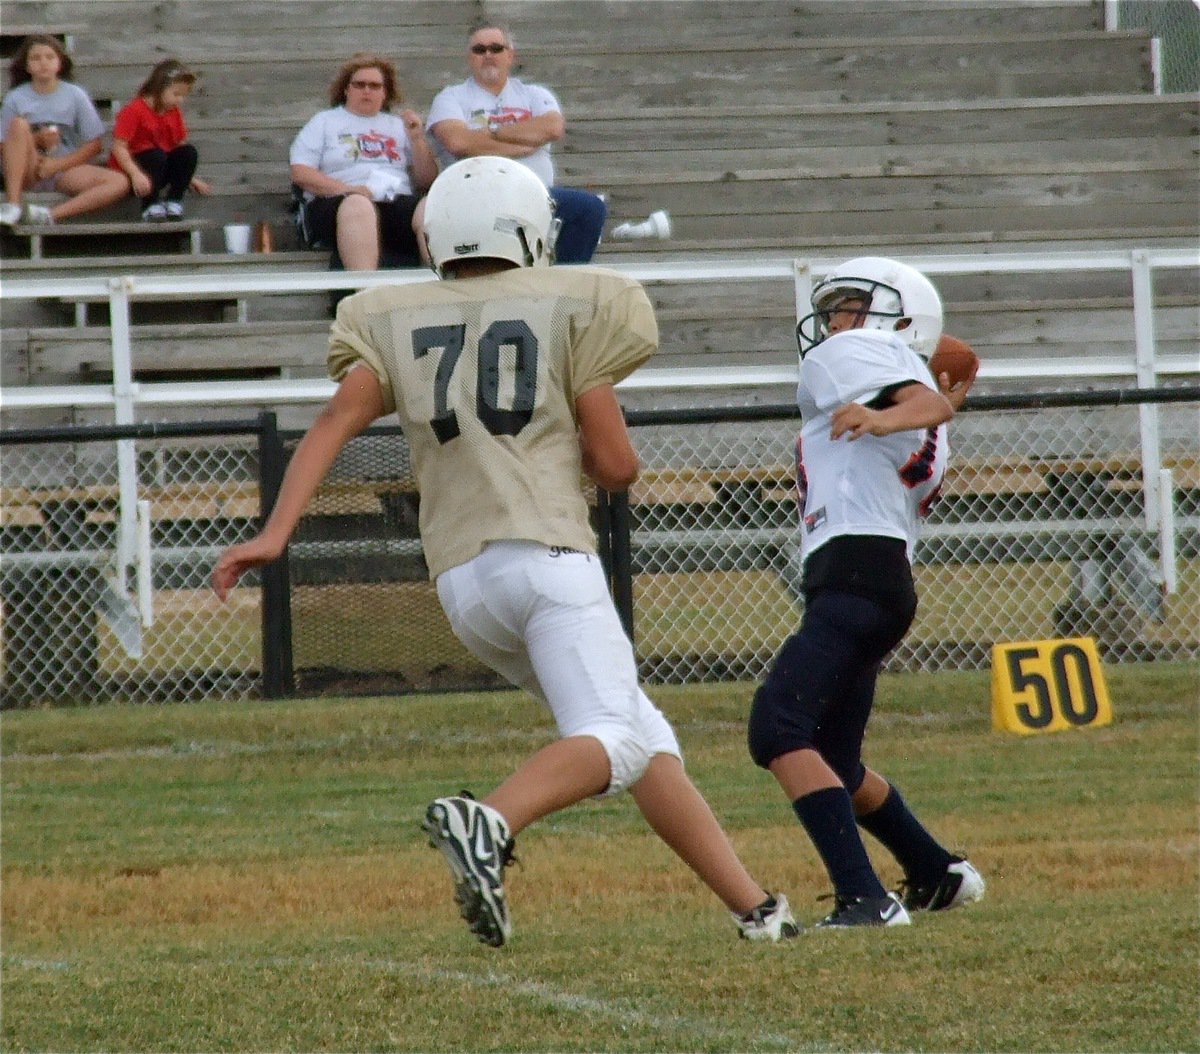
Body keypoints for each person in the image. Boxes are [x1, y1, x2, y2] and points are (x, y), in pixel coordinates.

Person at [211, 155, 797, 948]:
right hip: (546, 555)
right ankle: (489, 820)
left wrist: (274, 533)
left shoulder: (392, 315)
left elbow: (329, 427)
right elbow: (619, 466)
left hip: (462, 583)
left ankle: (756, 910)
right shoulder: (570, 306)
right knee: (614, 738)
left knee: (638, 731)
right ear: (528, 233)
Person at [747, 256, 986, 928]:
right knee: (835, 760)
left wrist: (894, 412)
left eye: (851, 306)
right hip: (877, 580)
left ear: (898, 318)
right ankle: (937, 873)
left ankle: (864, 897)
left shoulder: (864, 359)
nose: (835, 323)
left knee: (777, 727)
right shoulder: (894, 384)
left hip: (855, 573)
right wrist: (918, 402)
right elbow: (933, 401)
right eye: (834, 310)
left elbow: (927, 401)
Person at [422, 22, 606, 264]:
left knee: (590, 208)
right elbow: (458, 142)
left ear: (510, 55)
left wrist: (493, 132)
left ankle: (561, 282)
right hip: (476, 196)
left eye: (496, 48)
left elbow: (552, 127)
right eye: (479, 50)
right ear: (470, 57)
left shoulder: (535, 94)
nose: (488, 55)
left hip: (537, 195)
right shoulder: (450, 97)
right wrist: (524, 142)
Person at [289, 52, 438, 270]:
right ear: (346, 89)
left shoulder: (398, 126)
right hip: (338, 203)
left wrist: (417, 139)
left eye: (375, 86)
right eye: (359, 85)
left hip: (395, 202)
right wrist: (349, 190)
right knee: (358, 205)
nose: (367, 90)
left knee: (431, 207)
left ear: (385, 93)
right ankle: (365, 293)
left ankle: (440, 285)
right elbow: (301, 173)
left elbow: (427, 180)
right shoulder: (325, 122)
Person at [0, 34, 128, 226]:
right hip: (27, 166)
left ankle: (49, 215)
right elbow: (4, 144)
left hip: (62, 166)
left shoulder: (75, 94)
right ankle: (13, 204)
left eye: (49, 57)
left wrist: (57, 165)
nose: (43, 63)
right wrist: (36, 140)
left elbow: (95, 145)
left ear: (60, 63)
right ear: (27, 66)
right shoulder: (15, 97)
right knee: (19, 124)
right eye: (36, 58)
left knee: (118, 182)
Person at [107, 58, 212, 221]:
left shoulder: (174, 112)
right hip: (139, 166)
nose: (180, 100)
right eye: (176, 94)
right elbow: (119, 146)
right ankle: (150, 204)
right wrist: (135, 174)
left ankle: (174, 200)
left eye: (183, 96)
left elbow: (179, 145)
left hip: (160, 166)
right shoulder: (134, 110)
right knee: (155, 156)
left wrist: (189, 178)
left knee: (188, 152)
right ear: (159, 88)